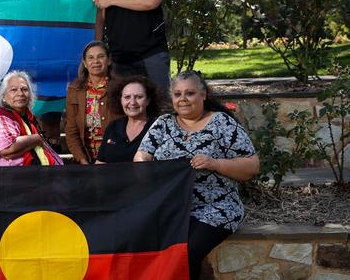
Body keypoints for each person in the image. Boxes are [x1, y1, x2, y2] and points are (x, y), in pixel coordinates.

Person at [30, 0, 156, 147]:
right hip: (50, 47)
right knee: (49, 105)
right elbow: (35, 9)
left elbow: (104, 5)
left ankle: (88, 150)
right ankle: (51, 152)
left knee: (88, 97)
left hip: (85, 46)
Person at [134, 70, 260, 280]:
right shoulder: (162, 124)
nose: (183, 99)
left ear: (204, 95)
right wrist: (142, 163)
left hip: (216, 207)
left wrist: (215, 163)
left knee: (185, 252)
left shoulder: (222, 123)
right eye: (177, 94)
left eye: (190, 93)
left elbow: (252, 166)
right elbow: (142, 155)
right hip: (171, 207)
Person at [0, 71, 63, 167]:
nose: (20, 93)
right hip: (6, 178)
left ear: (30, 96)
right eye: (14, 90)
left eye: (24, 89)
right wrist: (36, 139)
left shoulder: (28, 119)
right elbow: (7, 149)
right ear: (3, 97)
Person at [65, 41, 121, 164]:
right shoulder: (74, 89)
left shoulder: (121, 88)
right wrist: (83, 161)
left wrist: (105, 159)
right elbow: (71, 130)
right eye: (90, 58)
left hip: (114, 159)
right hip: (86, 159)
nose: (95, 61)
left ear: (109, 60)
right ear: (85, 63)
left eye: (101, 56)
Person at [95, 75, 160, 164]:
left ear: (148, 100)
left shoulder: (159, 127)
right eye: (127, 97)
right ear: (120, 100)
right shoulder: (113, 127)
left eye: (139, 97)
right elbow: (100, 163)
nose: (132, 102)